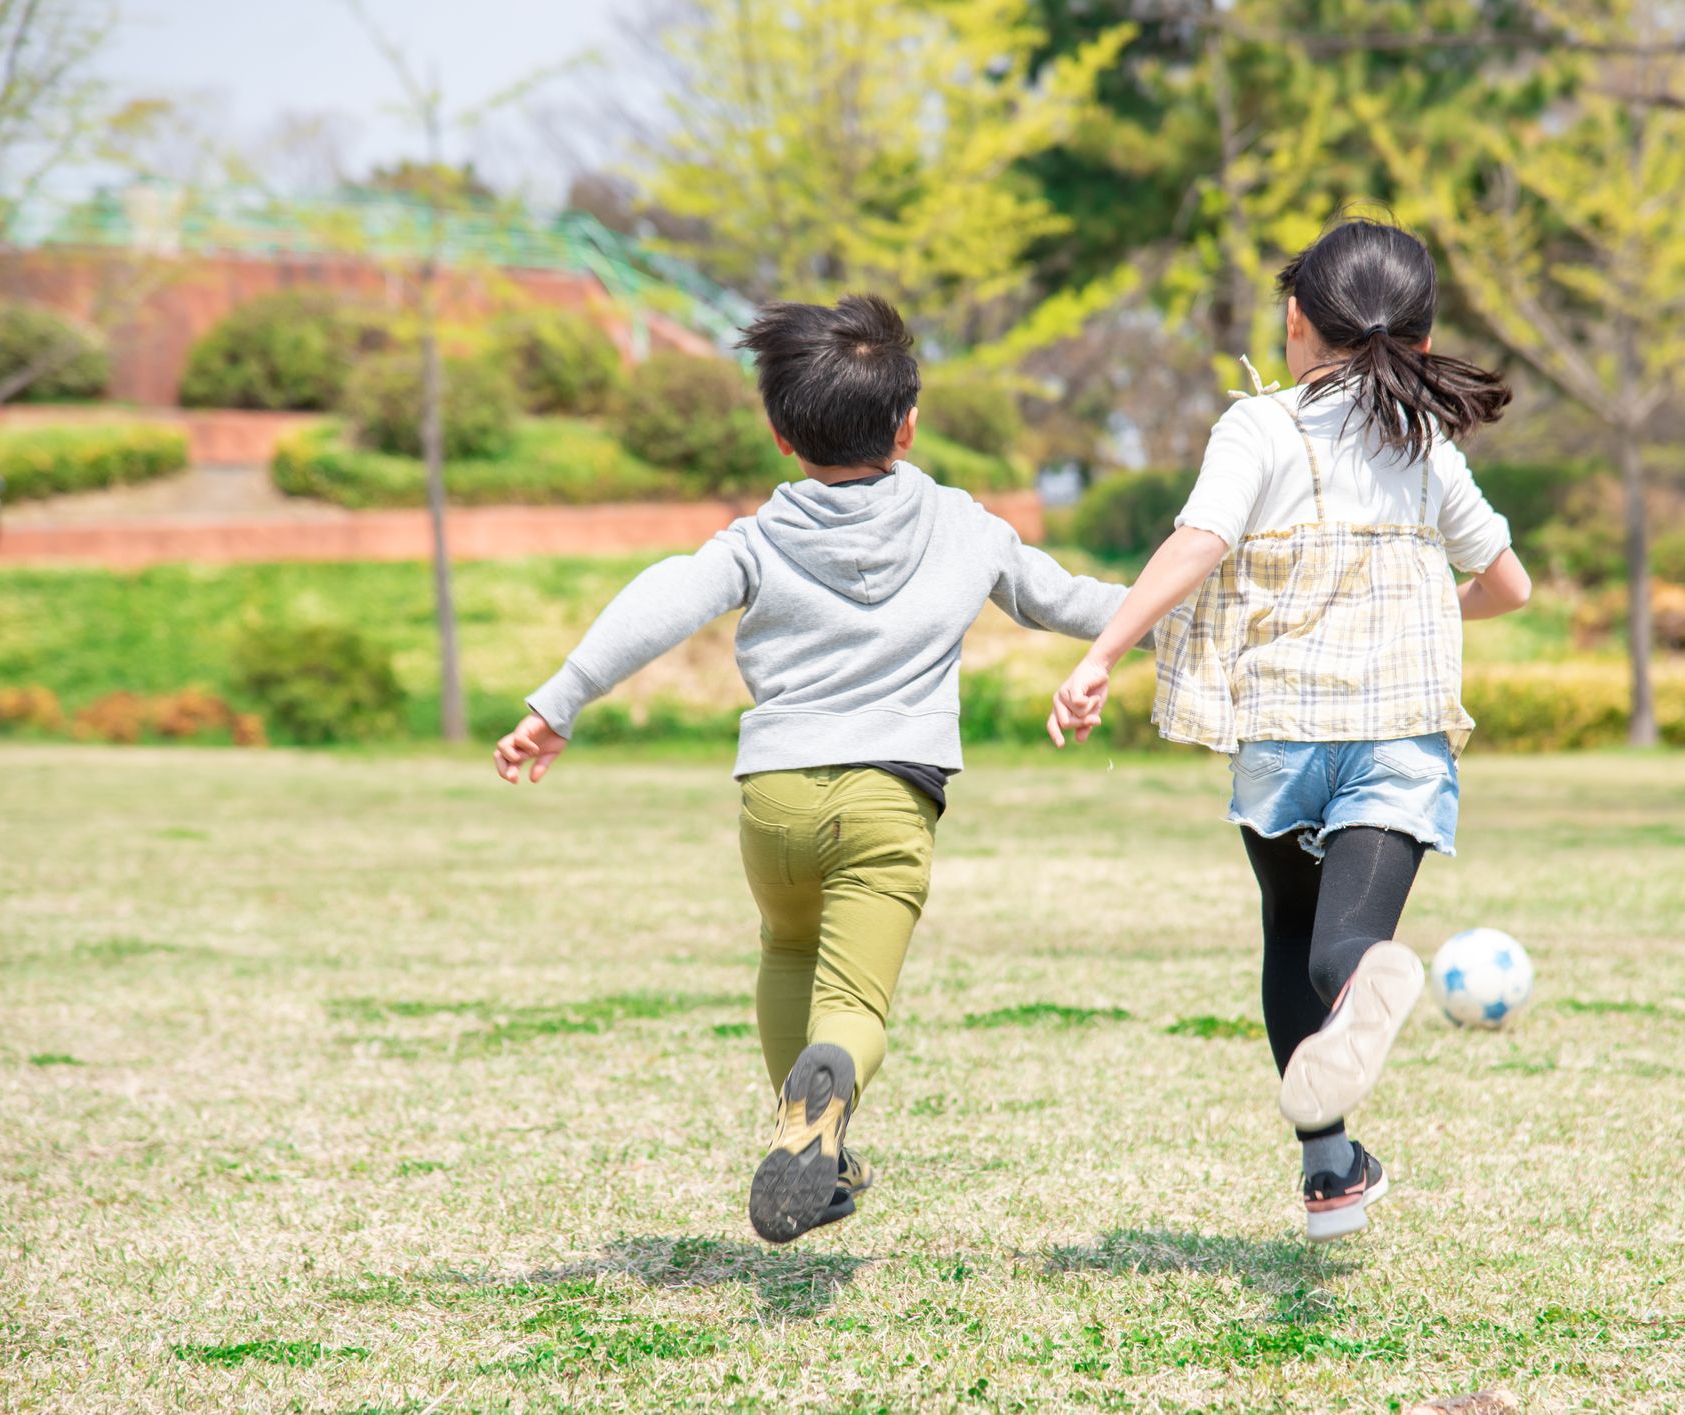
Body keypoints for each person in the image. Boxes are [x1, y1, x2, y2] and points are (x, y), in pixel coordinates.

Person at [493, 295, 1138, 1246]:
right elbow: (1068, 602)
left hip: (776, 798)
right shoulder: (966, 527)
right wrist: (1178, 611)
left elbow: (664, 594)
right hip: (889, 794)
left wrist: (562, 696)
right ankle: (821, 1107)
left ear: (780, 435)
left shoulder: (759, 537)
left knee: (786, 948)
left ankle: (814, 1143)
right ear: (907, 424)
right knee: (852, 1007)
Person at [1048, 217, 1533, 1243]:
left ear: (1295, 320)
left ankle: (1329, 1166)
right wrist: (1423, 612)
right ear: (1420, 336)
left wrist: (1099, 655)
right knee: (1347, 944)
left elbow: (1198, 543)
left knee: (1286, 929)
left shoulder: (1259, 426)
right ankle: (1371, 988)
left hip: (1282, 732)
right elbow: (1505, 584)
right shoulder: (1424, 445)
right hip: (1398, 733)